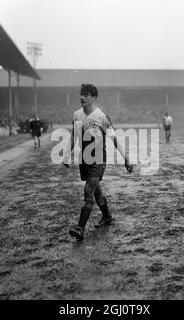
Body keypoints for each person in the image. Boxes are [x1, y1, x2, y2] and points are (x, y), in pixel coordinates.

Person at [63, 84, 133, 241]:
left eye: (86, 95)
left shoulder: (102, 117)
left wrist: (126, 158)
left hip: (99, 158)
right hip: (84, 158)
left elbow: (114, 139)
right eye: (81, 94)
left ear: (93, 98)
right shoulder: (77, 115)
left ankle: (80, 228)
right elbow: (74, 136)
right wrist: (67, 155)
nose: (82, 97)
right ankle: (107, 216)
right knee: (96, 191)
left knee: (88, 190)